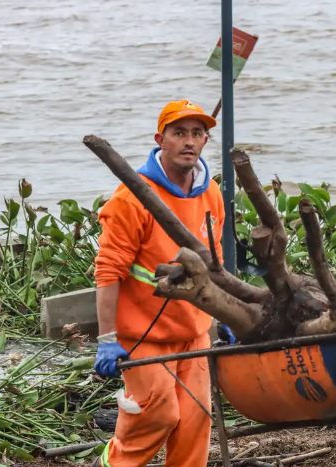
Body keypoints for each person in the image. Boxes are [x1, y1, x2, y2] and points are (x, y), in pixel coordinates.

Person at [92, 99, 228, 467]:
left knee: (196, 422)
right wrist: (107, 340)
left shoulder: (211, 193)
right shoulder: (131, 199)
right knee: (158, 414)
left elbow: (215, 264)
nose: (189, 141)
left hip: (193, 332)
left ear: (204, 142)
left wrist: (227, 313)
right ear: (160, 140)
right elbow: (108, 272)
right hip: (143, 336)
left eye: (197, 133)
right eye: (179, 133)